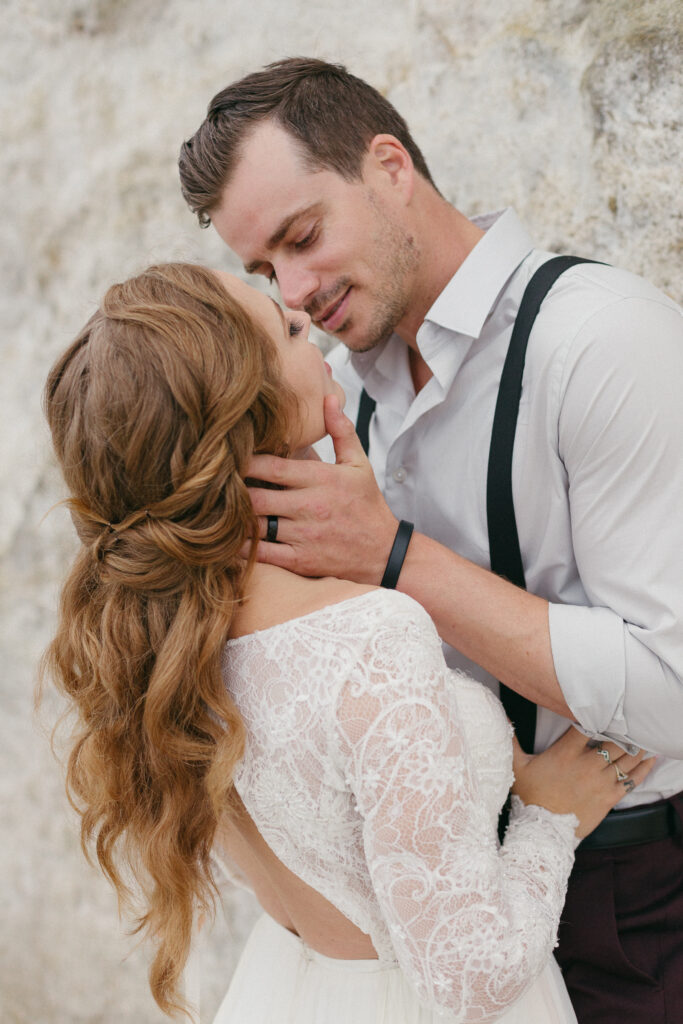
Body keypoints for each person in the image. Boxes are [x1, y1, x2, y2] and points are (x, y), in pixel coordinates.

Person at [178, 58, 683, 1023]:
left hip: (631, 906)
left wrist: (393, 553)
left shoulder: (600, 343)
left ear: (389, 165)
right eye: (262, 270)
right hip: (427, 920)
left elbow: (669, 689)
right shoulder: (324, 396)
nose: (294, 290)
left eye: (302, 236)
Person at [42, 262, 653, 1024]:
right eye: (290, 331)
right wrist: (546, 818)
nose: (320, 343)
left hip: (291, 985)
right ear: (249, 412)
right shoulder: (368, 636)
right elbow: (468, 980)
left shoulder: (167, 636)